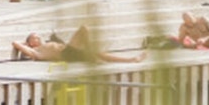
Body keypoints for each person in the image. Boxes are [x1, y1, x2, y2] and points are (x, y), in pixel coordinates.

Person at [11, 28, 144, 64]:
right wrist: (25, 43)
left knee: (100, 55)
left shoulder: (43, 45)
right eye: (35, 37)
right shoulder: (36, 52)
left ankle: (131, 59)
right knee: (83, 30)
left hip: (69, 51)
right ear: (31, 43)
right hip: (66, 53)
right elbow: (15, 43)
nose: (38, 36)